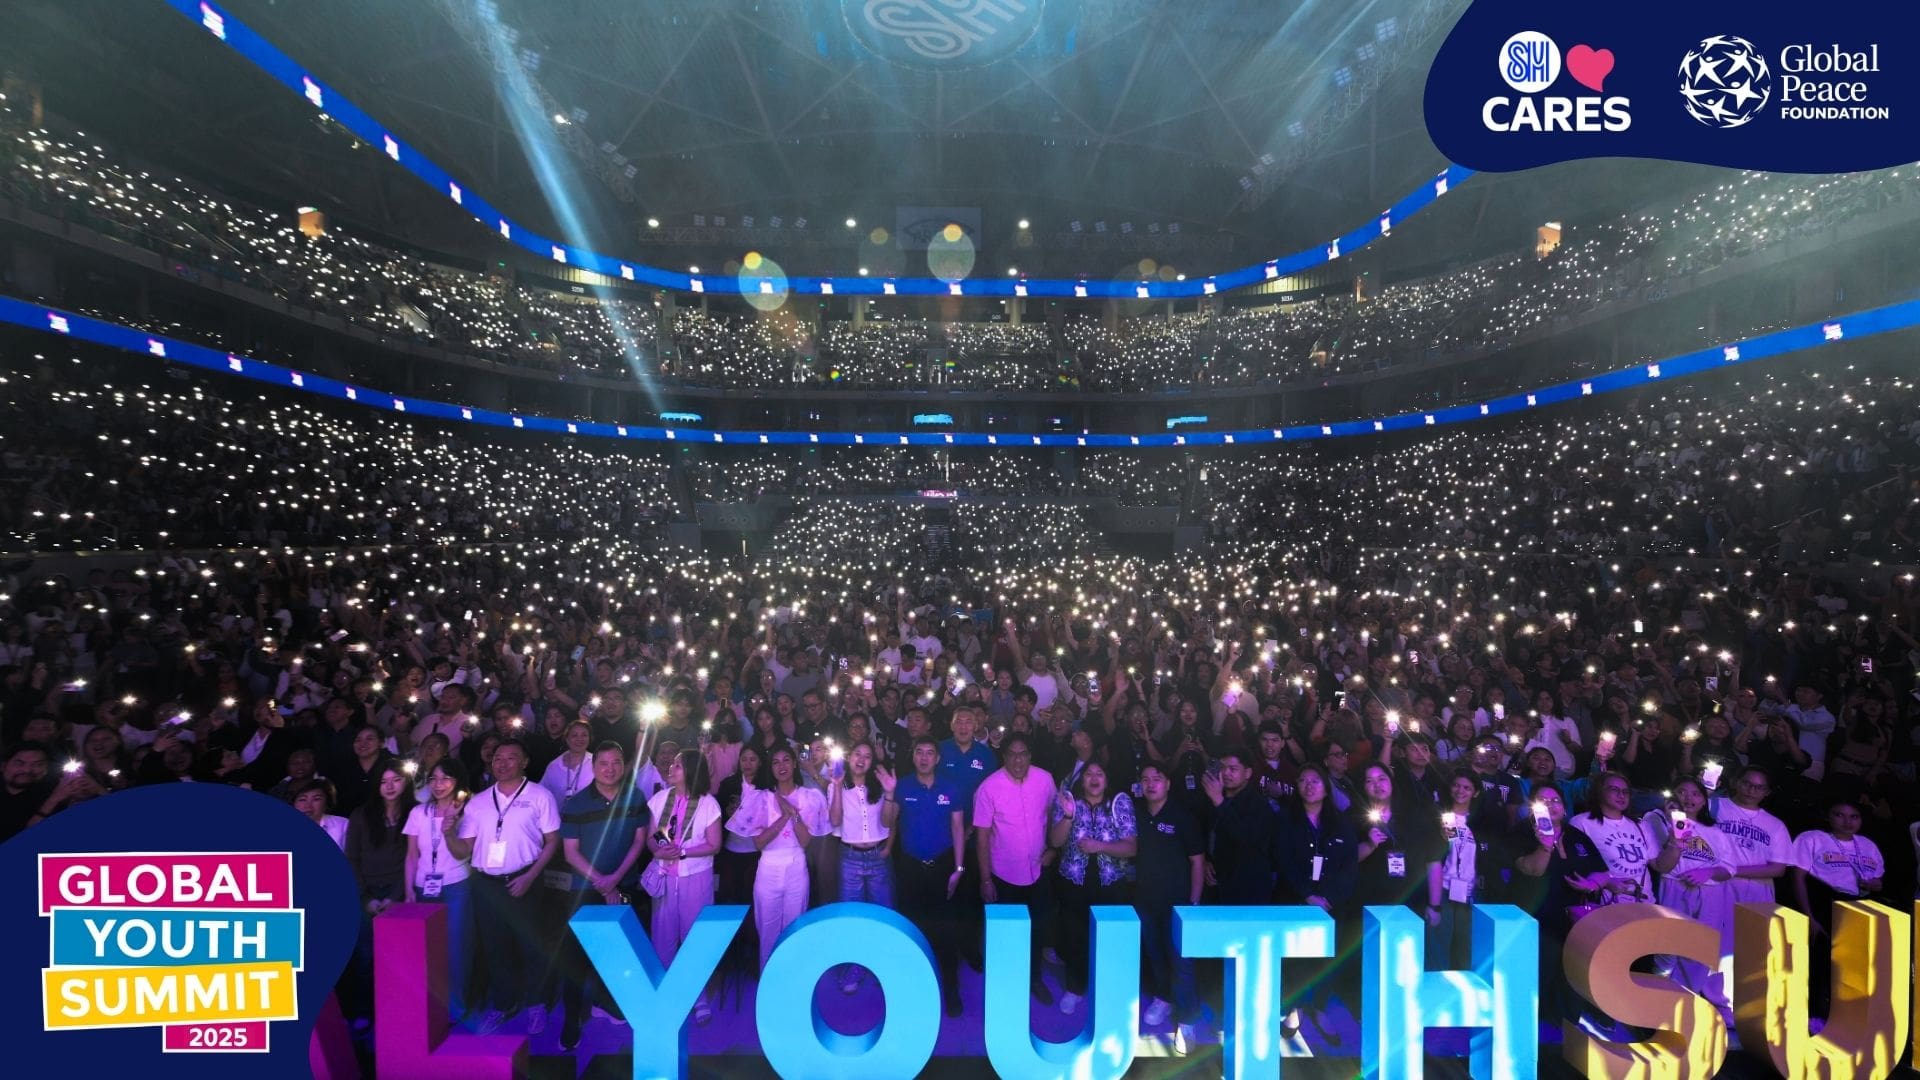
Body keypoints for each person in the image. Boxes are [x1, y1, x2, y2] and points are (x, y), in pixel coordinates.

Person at [451, 737, 561, 1035]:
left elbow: (552, 842)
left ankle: (538, 1003)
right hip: (487, 884)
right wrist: (448, 829)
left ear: (524, 761)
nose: (502, 763)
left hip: (526, 878)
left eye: (510, 757)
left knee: (531, 944)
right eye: (497, 757)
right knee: (495, 946)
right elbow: (464, 851)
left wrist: (530, 877)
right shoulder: (478, 801)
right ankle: (504, 1003)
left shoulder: (540, 795)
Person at [552, 740, 650, 1049]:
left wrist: (616, 880)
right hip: (585, 890)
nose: (610, 769)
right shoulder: (577, 804)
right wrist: (602, 882)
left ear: (624, 766)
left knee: (620, 952)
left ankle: (606, 1003)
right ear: (593, 768)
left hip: (625, 886)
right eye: (604, 764)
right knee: (576, 957)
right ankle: (571, 1018)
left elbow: (639, 841)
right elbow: (570, 853)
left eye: (616, 763)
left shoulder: (635, 796)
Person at [1273, 762, 1356, 1043]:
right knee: (1293, 958)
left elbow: (1349, 865)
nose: (1309, 786)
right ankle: (1293, 1007)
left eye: (1315, 781)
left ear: (1326, 788)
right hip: (1295, 899)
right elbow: (1283, 861)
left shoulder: (1341, 822)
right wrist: (1307, 894)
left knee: (1326, 957)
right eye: (1303, 781)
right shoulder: (1286, 819)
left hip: (1332, 905)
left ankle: (1320, 1008)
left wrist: (1329, 897)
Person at [973, 732, 1058, 1004]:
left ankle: (1034, 979)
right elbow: (982, 837)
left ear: (1030, 756)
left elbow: (1054, 817)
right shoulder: (988, 788)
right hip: (1003, 874)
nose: (1018, 760)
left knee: (1037, 929)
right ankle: (1006, 982)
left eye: (1023, 754)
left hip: (1038, 871)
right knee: (1006, 932)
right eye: (1012, 754)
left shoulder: (1045, 780)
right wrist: (985, 879)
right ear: (1004, 756)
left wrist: (1053, 850)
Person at [1047, 761, 1135, 1015]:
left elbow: (1131, 847)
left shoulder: (1119, 802)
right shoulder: (1068, 801)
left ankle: (1108, 987)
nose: (1094, 778)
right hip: (1075, 882)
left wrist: (1100, 846)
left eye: (1100, 773)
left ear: (1107, 779)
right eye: (1088, 774)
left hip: (1111, 883)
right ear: (1081, 780)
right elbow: (1055, 841)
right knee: (1075, 936)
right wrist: (1067, 815)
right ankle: (1074, 988)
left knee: (1110, 937)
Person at [1645, 778, 1736, 1018]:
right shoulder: (1657, 821)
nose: (1689, 797)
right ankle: (1656, 1004)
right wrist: (1673, 829)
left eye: (1695, 793)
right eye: (1682, 792)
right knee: (1666, 948)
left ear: (1704, 800)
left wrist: (1707, 871)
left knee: (1699, 951)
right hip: (1674, 887)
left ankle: (1684, 1004)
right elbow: (1659, 864)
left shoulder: (1714, 831)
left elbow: (1729, 868)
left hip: (1710, 892)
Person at [730, 744, 828, 968]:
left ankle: (791, 980)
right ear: (771, 768)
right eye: (776, 762)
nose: (781, 766)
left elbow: (805, 841)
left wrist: (793, 813)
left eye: (786, 760)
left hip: (796, 867)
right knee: (767, 931)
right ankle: (768, 980)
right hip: (768, 868)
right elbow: (759, 842)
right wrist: (783, 817)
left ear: (795, 763)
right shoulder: (762, 798)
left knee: (794, 929)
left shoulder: (808, 796)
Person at [1790, 797, 1887, 1019]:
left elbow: (1879, 882)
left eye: (1854, 817)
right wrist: (1809, 916)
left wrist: (1873, 885)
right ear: (1828, 816)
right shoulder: (1813, 838)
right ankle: (1813, 1014)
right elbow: (1797, 878)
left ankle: (1849, 1016)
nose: (1847, 822)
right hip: (1823, 902)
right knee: (1819, 964)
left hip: (1858, 907)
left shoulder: (1868, 845)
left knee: (1852, 965)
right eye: (1839, 815)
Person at [892, 734, 967, 1016]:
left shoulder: (951, 788)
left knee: (945, 930)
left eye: (929, 753)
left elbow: (958, 829)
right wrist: (889, 793)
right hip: (910, 867)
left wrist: (959, 869)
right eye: (919, 752)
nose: (924, 757)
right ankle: (912, 988)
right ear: (914, 757)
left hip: (943, 866)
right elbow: (888, 822)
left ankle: (950, 988)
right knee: (912, 928)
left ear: (937, 758)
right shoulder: (902, 786)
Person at [647, 748, 724, 1023]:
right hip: (666, 876)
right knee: (663, 937)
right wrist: (659, 850)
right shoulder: (659, 800)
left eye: (678, 765)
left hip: (696, 878)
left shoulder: (708, 804)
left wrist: (682, 852)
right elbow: (652, 839)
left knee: (694, 939)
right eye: (672, 764)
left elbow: (715, 845)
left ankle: (699, 997)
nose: (671, 767)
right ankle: (668, 995)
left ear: (691, 771)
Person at [1133, 762, 1205, 1053]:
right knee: (1155, 954)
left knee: (1182, 962)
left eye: (1157, 778)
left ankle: (1187, 1019)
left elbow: (1197, 861)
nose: (1151, 784)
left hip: (1178, 904)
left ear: (1168, 783)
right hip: (1145, 900)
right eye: (1145, 779)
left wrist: (1194, 903)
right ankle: (1163, 997)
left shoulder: (1182, 817)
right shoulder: (1137, 814)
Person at [402, 759, 474, 1025]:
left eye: (445, 779)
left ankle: (457, 1005)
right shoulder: (418, 812)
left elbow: (462, 853)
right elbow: (411, 855)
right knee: (427, 946)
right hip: (423, 885)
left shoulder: (468, 812)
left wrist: (449, 831)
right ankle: (431, 1002)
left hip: (456, 884)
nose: (438, 785)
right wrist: (409, 890)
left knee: (455, 947)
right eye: (433, 779)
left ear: (457, 781)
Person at [343, 759, 414, 1024]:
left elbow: (412, 857)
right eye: (383, 781)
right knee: (365, 956)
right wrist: (367, 898)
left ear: (405, 782)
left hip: (401, 891)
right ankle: (365, 1013)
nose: (390, 786)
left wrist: (394, 897)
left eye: (395, 780)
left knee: (401, 958)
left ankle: (399, 1012)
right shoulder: (361, 814)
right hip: (366, 893)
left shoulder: (415, 813)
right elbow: (351, 858)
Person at [828, 741, 897, 994]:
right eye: (857, 754)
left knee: (883, 914)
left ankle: (884, 966)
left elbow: (888, 823)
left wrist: (889, 793)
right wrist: (835, 785)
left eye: (867, 756)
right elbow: (834, 819)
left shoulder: (879, 787)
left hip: (878, 856)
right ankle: (856, 965)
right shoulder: (837, 785)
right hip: (850, 857)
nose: (862, 759)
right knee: (852, 915)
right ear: (848, 757)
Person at [1567, 772, 1661, 902]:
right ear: (1599, 792)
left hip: (1644, 902)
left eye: (1625, 791)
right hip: (1606, 903)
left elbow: (1659, 865)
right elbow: (1576, 866)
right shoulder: (1581, 822)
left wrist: (1675, 842)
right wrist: (1606, 882)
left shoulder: (1641, 825)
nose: (1621, 795)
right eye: (1614, 789)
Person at [1201, 749, 1279, 904]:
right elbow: (1210, 833)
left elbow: (1246, 838)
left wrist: (1219, 802)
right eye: (1222, 768)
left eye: (1233, 769)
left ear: (1248, 773)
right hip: (1218, 883)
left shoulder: (1259, 804)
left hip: (1248, 886)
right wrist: (1207, 859)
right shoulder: (1215, 797)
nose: (1226, 773)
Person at [1710, 764, 1793, 909]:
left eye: (1759, 787)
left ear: (1767, 792)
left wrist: (1732, 870)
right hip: (1715, 885)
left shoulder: (1775, 825)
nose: (1751, 790)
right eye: (1746, 783)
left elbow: (1778, 868)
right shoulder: (1713, 805)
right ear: (1736, 782)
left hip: (1755, 891)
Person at [538, 720, 595, 804]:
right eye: (574, 735)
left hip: (590, 816)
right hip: (559, 816)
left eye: (584, 735)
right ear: (567, 739)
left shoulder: (597, 762)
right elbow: (541, 794)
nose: (579, 739)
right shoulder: (554, 766)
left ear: (589, 739)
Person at [294, 778, 350, 849]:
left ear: (327, 802)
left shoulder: (343, 825)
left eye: (316, 799)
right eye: (302, 799)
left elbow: (355, 857)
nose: (308, 806)